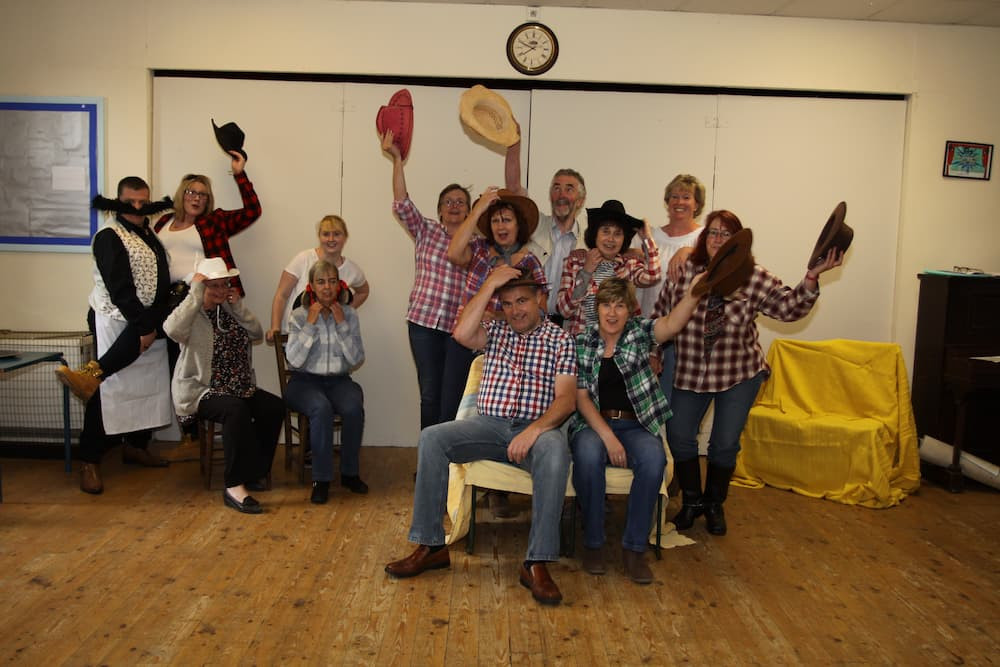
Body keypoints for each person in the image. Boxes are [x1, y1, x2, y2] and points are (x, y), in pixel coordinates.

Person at [385, 265, 577, 606]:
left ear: (540, 300)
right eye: (507, 303)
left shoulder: (560, 339)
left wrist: (532, 431)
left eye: (522, 301)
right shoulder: (496, 332)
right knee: (432, 437)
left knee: (556, 449)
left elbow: (565, 400)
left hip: (536, 429)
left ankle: (536, 562)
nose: (515, 310)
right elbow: (461, 333)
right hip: (489, 425)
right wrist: (490, 284)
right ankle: (431, 546)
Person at [654, 210, 843, 536]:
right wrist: (654, 352)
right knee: (679, 436)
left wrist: (812, 277)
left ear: (737, 242)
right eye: (711, 233)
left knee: (724, 444)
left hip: (738, 373)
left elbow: (789, 308)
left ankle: (714, 505)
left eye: (725, 234)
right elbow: (662, 314)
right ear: (703, 239)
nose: (717, 239)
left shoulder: (753, 276)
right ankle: (692, 503)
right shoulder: (687, 273)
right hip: (689, 372)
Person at [569, 278, 702, 583]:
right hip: (594, 424)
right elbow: (581, 397)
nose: (612, 313)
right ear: (597, 308)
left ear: (630, 310)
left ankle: (634, 548)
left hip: (636, 423)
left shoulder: (640, 332)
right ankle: (593, 543)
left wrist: (695, 293)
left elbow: (671, 324)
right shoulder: (581, 341)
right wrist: (608, 437)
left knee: (654, 460)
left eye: (619, 305)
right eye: (606, 305)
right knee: (588, 455)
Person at [57, 177, 176, 493]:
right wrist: (144, 327)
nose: (138, 207)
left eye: (143, 201)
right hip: (116, 319)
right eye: (131, 201)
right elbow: (119, 287)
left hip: (145, 320)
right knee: (107, 389)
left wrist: (153, 320)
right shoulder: (109, 236)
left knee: (146, 386)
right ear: (117, 201)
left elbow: (159, 276)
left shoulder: (148, 232)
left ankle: (135, 446)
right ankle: (90, 461)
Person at [164, 257, 284, 514]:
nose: (219, 291)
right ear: (201, 287)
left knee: (274, 407)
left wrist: (237, 306)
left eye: (224, 285)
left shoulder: (228, 309)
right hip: (203, 388)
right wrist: (195, 295)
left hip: (239, 386)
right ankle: (234, 486)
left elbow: (256, 332)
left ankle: (253, 472)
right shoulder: (191, 313)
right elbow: (171, 329)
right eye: (213, 286)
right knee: (235, 410)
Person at [380, 129, 470, 429]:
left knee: (455, 395)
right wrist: (397, 161)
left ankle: (451, 463)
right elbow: (402, 202)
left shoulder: (478, 245)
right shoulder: (426, 230)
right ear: (440, 210)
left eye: (461, 202)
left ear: (470, 211)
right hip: (424, 325)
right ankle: (430, 461)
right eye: (448, 202)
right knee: (430, 395)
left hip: (459, 330)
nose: (454, 206)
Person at [443, 185, 548, 421]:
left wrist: (498, 317)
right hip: (463, 341)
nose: (501, 226)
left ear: (518, 224)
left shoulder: (531, 262)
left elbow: (541, 312)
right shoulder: (479, 250)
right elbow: (453, 253)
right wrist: (478, 209)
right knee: (450, 408)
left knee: (483, 415)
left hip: (500, 347)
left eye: (507, 220)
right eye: (495, 220)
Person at [283, 260, 367, 504]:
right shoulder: (299, 315)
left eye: (332, 281)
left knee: (353, 406)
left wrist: (342, 325)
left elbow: (356, 358)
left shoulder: (349, 314)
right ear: (311, 286)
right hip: (304, 381)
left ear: (339, 285)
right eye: (321, 282)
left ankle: (350, 473)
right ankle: (321, 480)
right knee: (321, 409)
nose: (327, 287)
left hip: (339, 380)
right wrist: (310, 323)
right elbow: (295, 360)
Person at [637, 174, 707, 403]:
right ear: (667, 201)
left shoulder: (704, 238)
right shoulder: (651, 236)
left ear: (697, 204)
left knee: (679, 408)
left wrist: (689, 252)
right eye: (674, 196)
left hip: (686, 337)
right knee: (647, 405)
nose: (679, 202)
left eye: (686, 197)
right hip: (651, 330)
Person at [153, 150, 262, 296]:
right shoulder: (164, 221)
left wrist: (239, 174)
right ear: (181, 194)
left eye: (202, 194)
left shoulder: (214, 222)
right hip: (166, 297)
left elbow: (252, 211)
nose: (197, 198)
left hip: (203, 298)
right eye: (191, 192)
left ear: (207, 200)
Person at [504, 135, 587, 325]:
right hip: (529, 321)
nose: (561, 195)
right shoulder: (534, 223)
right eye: (556, 188)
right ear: (550, 195)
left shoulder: (587, 241)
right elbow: (514, 188)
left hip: (567, 326)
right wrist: (513, 143)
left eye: (569, 189)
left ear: (581, 200)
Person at [556, 200, 661, 337]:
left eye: (617, 234)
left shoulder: (628, 264)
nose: (611, 239)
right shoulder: (575, 262)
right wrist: (586, 272)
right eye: (605, 231)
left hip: (620, 347)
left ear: (624, 239)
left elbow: (653, 276)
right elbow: (564, 310)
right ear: (595, 234)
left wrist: (647, 239)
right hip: (583, 347)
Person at [267, 214, 370, 341]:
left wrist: (344, 311)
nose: (331, 239)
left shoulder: (352, 270)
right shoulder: (303, 259)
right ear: (319, 237)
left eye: (337, 234)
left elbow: (364, 291)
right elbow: (281, 295)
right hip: (296, 336)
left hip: (329, 341)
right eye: (326, 234)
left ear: (345, 237)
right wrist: (275, 327)